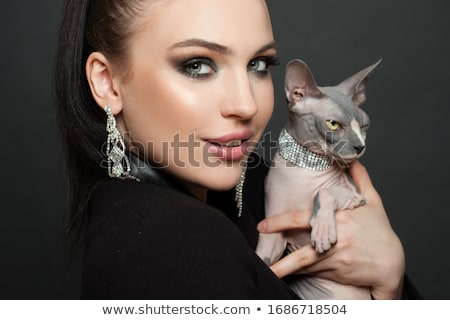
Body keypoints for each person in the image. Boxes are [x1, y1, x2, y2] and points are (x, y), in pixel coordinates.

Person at [54, 0, 422, 299]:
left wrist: (389, 276)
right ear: (107, 83)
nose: (246, 105)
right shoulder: (172, 243)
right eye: (197, 65)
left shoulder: (259, 184)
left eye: (258, 65)